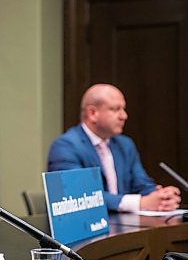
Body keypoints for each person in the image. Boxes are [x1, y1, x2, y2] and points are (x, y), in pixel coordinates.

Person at [47, 83, 181, 212]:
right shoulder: (65, 147)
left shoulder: (124, 144)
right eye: (115, 109)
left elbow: (141, 183)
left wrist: (161, 196)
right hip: (88, 229)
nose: (124, 116)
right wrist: (140, 203)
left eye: (123, 109)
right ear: (92, 113)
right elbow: (80, 196)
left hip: (125, 226)